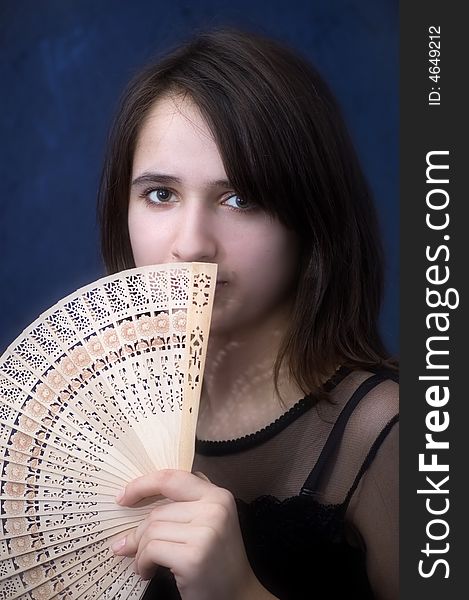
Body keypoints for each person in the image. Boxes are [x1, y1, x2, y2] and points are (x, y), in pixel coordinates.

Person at [98, 28, 399, 600]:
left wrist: (236, 591)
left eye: (240, 198)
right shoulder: (101, 417)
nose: (190, 245)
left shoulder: (388, 430)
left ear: (311, 218)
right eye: (160, 194)